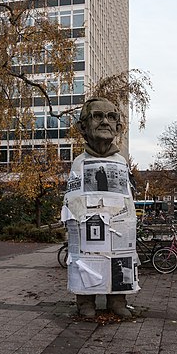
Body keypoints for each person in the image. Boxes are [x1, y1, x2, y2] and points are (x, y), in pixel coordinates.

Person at [63, 97, 138, 318]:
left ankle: (117, 299)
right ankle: (85, 301)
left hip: (118, 228)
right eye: (97, 116)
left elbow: (128, 199)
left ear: (118, 126)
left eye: (111, 117)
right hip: (89, 229)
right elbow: (72, 201)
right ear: (83, 126)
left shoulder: (121, 162)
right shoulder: (79, 162)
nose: (105, 122)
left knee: (119, 259)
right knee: (87, 259)